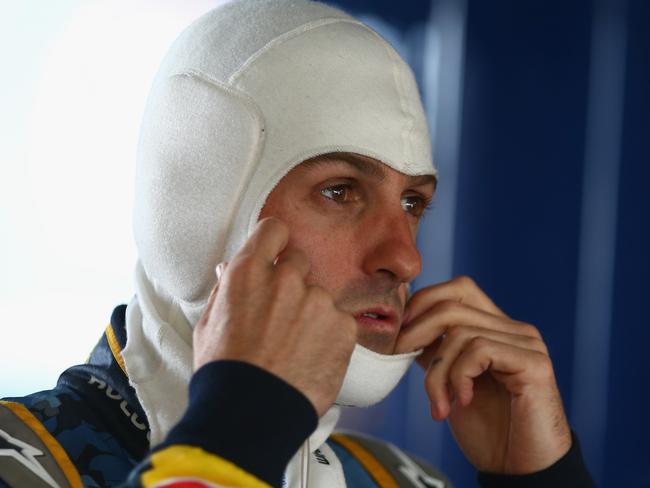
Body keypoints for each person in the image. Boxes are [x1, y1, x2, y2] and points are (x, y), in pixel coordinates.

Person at [0, 1, 594, 487]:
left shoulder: (404, 481)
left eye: (413, 203)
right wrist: (238, 431)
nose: (405, 258)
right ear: (199, 212)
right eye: (340, 191)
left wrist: (541, 480)